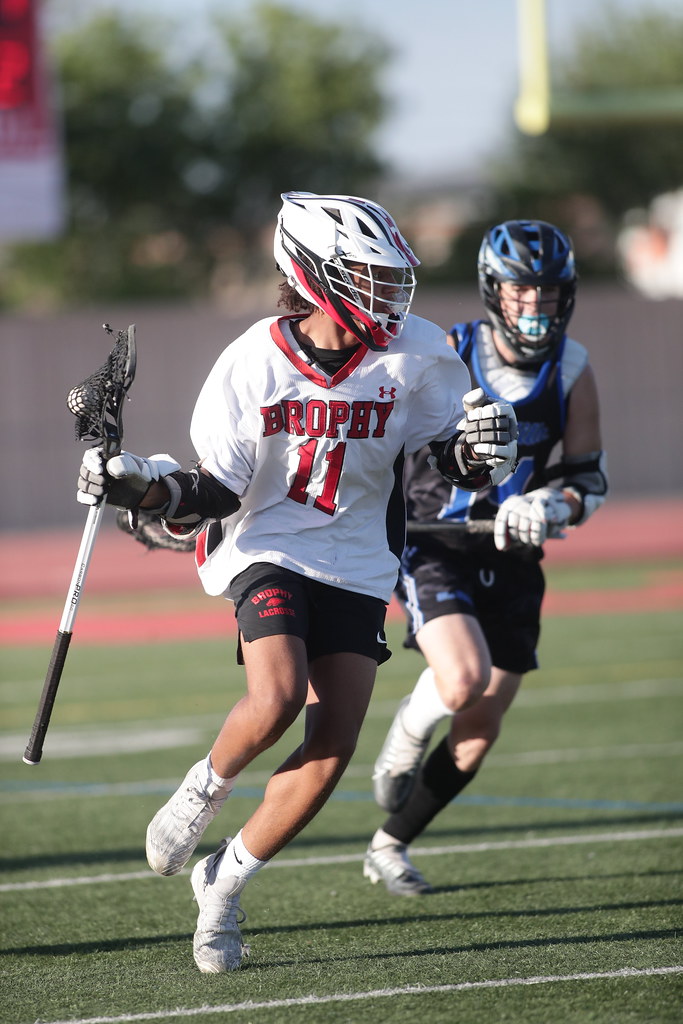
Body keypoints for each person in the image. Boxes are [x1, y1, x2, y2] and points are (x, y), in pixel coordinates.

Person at [76, 192, 519, 971]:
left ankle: (223, 883)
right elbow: (213, 491)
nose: (387, 295)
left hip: (358, 557)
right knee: (276, 696)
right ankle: (205, 786)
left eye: (390, 278)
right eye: (367, 277)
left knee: (334, 742)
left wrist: (480, 454)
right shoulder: (255, 359)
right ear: (314, 275)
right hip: (269, 545)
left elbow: (446, 456)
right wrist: (135, 486)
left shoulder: (415, 353)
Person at [364, 218, 608, 896]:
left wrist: (551, 504)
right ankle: (408, 728)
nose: (534, 307)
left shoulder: (572, 368)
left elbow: (587, 479)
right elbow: (388, 439)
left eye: (546, 293)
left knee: (477, 729)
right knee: (461, 680)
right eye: (520, 292)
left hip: (514, 552)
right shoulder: (448, 351)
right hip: (435, 542)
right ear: (492, 291)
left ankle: (388, 845)